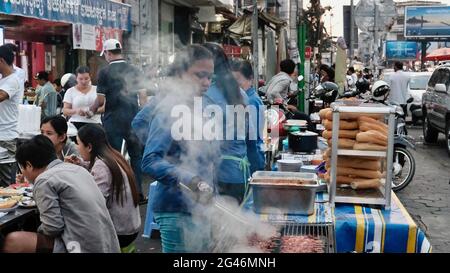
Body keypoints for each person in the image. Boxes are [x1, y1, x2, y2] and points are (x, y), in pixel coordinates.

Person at [133, 44, 216, 253]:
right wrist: (188, 177)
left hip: (201, 207)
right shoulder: (170, 107)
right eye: (200, 76)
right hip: (176, 208)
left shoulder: (202, 104)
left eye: (210, 77)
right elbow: (150, 160)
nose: (207, 83)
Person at [2, 135, 120, 253]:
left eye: (22, 168)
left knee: (13, 240)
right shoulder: (78, 169)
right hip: (107, 243)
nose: (22, 172)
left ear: (29, 165)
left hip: (81, 246)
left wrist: (37, 231)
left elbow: (53, 227)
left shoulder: (44, 180)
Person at [91, 39, 148, 204]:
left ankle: (117, 195)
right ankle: (138, 193)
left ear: (108, 53)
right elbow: (143, 98)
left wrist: (90, 110)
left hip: (113, 120)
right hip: (133, 119)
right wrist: (142, 118)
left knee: (113, 157)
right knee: (136, 156)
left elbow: (100, 101)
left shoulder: (104, 72)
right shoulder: (135, 70)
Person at [69, 124, 141, 250]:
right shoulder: (113, 156)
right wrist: (81, 164)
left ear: (89, 147)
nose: (77, 147)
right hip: (131, 227)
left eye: (78, 143)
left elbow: (96, 204)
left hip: (120, 233)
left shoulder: (101, 165)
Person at [203, 42, 254, 205]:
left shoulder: (205, 94)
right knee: (235, 227)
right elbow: (250, 137)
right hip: (240, 174)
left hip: (217, 176)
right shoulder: (241, 93)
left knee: (219, 228)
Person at [230, 60, 265, 175]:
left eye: (238, 84)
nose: (236, 88)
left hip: (251, 161)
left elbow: (251, 138)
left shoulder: (250, 101)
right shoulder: (248, 98)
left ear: (250, 78)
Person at [0, 45, 23, 187]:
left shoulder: (13, 80)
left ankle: (11, 209)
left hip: (6, 137)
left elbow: (1, 96)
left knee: (7, 182)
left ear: (1, 60)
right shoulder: (3, 80)